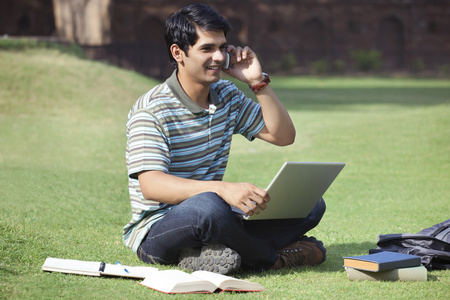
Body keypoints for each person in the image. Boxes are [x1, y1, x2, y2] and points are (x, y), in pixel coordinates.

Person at [123, 3, 326, 274]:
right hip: (159, 229)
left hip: (218, 217)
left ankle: (211, 253)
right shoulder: (151, 110)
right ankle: (274, 258)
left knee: (309, 201)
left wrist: (257, 82)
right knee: (209, 207)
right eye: (207, 48)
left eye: (222, 47)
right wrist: (221, 189)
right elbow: (152, 186)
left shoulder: (226, 95)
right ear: (178, 53)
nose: (218, 57)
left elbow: (283, 136)